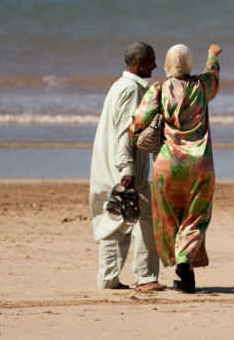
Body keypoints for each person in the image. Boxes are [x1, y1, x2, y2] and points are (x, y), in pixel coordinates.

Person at [132, 43, 221, 294]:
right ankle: (186, 263)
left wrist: (132, 139)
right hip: (200, 164)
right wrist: (212, 56)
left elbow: (139, 121)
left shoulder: (158, 90)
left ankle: (183, 270)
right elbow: (213, 75)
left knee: (169, 218)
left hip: (167, 165)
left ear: (166, 65)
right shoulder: (202, 86)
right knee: (196, 217)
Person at [88, 42, 164, 292]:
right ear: (139, 63)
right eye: (151, 60)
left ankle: (109, 280)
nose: (155, 65)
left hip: (111, 165)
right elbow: (125, 132)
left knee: (116, 219)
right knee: (143, 221)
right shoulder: (132, 89)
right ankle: (145, 278)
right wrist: (127, 169)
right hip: (124, 169)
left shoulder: (119, 85)